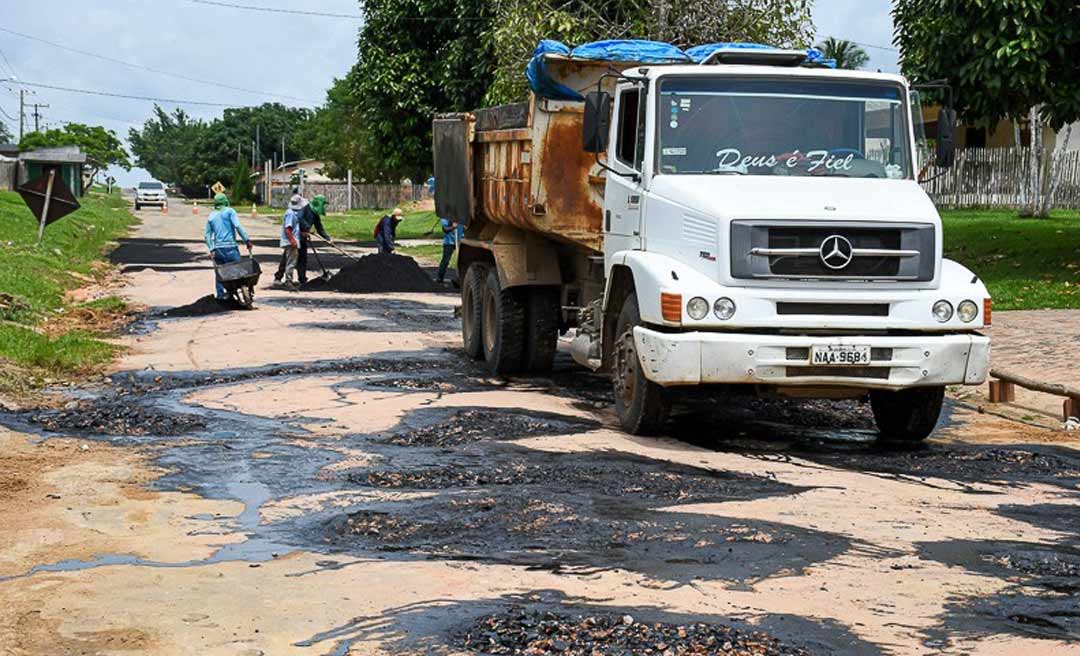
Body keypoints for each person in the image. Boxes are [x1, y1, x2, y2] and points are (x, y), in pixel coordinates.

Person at [204, 193, 252, 301]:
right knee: (239, 271)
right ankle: (242, 291)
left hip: (218, 250)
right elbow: (238, 226)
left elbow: (207, 235)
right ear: (225, 201)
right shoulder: (230, 211)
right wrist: (246, 240)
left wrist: (211, 248)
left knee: (220, 274)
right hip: (230, 247)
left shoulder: (211, 216)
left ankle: (221, 297)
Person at [296, 194, 332, 284]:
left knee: (303, 258)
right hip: (295, 236)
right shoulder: (305, 208)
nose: (323, 207)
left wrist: (327, 238)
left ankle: (302, 278)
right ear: (318, 203)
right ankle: (278, 277)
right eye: (323, 204)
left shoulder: (315, 215)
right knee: (289, 258)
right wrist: (307, 227)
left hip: (303, 237)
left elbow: (319, 227)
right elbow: (298, 218)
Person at [274, 195, 303, 289]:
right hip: (290, 241)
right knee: (291, 261)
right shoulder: (290, 214)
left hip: (291, 240)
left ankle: (286, 279)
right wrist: (292, 240)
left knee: (288, 260)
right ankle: (288, 281)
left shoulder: (293, 213)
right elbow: (288, 229)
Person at [437, 216, 463, 284]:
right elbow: (445, 229)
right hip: (449, 242)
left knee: (461, 261)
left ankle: (460, 279)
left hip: (460, 241)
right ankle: (440, 277)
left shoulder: (461, 215)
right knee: (445, 260)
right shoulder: (446, 217)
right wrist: (453, 226)